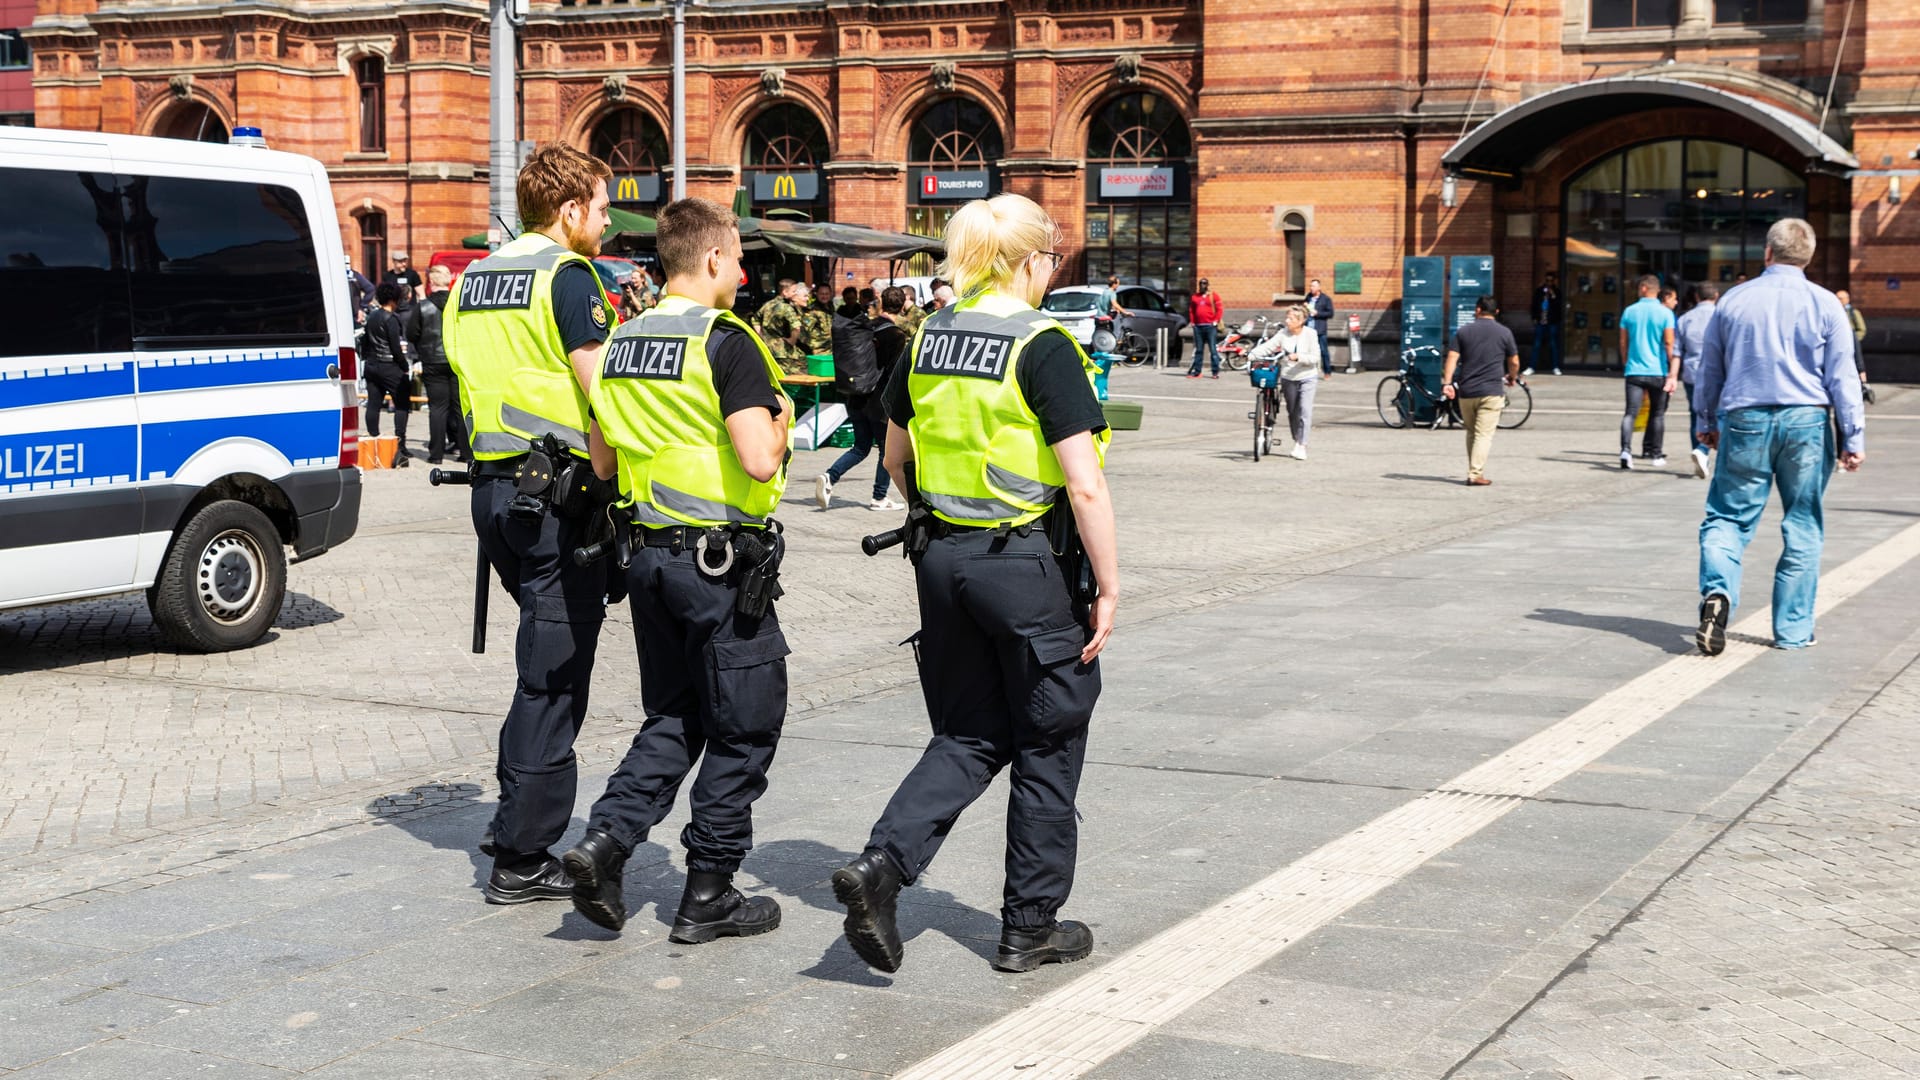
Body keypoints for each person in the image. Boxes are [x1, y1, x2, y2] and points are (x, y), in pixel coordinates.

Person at [832, 193, 1117, 975]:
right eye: (1051, 259)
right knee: (1049, 739)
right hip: (1024, 564)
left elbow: (895, 459)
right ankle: (1029, 927)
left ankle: (882, 867)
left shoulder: (930, 339)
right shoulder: (1043, 343)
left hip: (942, 560)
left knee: (968, 732)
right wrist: (1112, 585)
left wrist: (941, 511)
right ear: (1030, 261)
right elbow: (1085, 486)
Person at [562, 196, 795, 943]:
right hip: (719, 567)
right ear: (716, 259)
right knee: (744, 726)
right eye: (738, 255)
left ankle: (605, 842)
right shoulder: (728, 340)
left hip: (648, 561)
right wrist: (784, 425)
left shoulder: (624, 341)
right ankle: (710, 893)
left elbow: (602, 459)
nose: (744, 269)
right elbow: (758, 456)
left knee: (675, 715)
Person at [441, 143, 617, 904]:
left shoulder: (473, 277)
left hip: (495, 494)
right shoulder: (569, 276)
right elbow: (607, 393)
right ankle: (522, 856)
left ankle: (514, 818)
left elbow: (461, 380)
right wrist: (618, 483)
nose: (607, 222)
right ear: (571, 208)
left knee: (539, 659)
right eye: (603, 207)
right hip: (559, 500)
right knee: (555, 674)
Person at [1692, 217, 1865, 655]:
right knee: (1803, 522)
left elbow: (1710, 368)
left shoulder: (1733, 301)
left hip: (1745, 417)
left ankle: (1718, 594)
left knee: (1727, 517)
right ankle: (1792, 631)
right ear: (1808, 257)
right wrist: (1852, 437)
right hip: (1807, 420)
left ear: (1767, 253)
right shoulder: (1827, 304)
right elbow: (1843, 376)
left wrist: (1705, 422)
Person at [814, 289, 903, 512]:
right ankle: (879, 497)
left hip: (856, 397)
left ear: (881, 304)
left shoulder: (866, 328)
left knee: (861, 447)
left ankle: (830, 476)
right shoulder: (897, 336)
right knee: (885, 450)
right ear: (902, 307)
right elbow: (895, 373)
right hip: (879, 403)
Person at [1441, 296, 1520, 486]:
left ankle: (1474, 470)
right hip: (1491, 391)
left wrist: (1447, 383)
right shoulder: (1505, 333)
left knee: (1471, 431)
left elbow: (1451, 358)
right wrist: (1512, 376)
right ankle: (1475, 474)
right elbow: (1514, 361)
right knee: (1483, 435)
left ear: (1477, 310)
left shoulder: (1464, 332)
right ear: (1497, 312)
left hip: (1467, 391)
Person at [1617, 274, 1677, 470]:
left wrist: (1626, 362)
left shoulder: (1629, 311)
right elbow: (1669, 343)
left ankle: (1626, 450)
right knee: (1657, 414)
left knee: (1630, 413)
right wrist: (1672, 369)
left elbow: (1623, 342)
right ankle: (1656, 454)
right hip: (1657, 370)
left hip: (1634, 370)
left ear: (1643, 288)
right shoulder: (1665, 313)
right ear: (1656, 291)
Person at [1246, 303, 1320, 459]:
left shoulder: (1310, 334)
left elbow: (1315, 357)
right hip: (1288, 377)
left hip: (1307, 377)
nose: (1287, 320)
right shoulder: (1283, 333)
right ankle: (1297, 439)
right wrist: (1250, 354)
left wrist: (1299, 357)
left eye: (1291, 318)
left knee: (1305, 410)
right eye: (1287, 317)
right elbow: (1268, 347)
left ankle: (1302, 445)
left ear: (1301, 320)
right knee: (1293, 412)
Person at [413, 264, 469, 465]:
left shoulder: (423, 306)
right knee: (460, 407)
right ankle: (465, 453)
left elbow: (412, 333)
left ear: (432, 281)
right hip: (457, 359)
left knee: (437, 408)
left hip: (432, 361)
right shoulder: (460, 304)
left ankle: (436, 454)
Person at [362, 282, 413, 467]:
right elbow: (395, 347)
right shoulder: (391, 319)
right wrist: (403, 366)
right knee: (401, 404)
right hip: (390, 365)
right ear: (393, 299)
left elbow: (366, 342)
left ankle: (374, 439)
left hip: (372, 364)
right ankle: (400, 443)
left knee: (373, 404)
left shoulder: (372, 316)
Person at [1675, 281, 1719, 480]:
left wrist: (1671, 376)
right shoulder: (1722, 316)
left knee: (1696, 414)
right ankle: (1703, 451)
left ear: (1696, 297)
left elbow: (1677, 351)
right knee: (1719, 414)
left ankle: (1700, 453)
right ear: (1716, 295)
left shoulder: (1685, 319)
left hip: (1692, 372)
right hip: (1717, 372)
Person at [753, 279, 806, 374]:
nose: (795, 294)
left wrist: (760, 335)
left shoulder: (768, 305)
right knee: (791, 377)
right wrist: (792, 340)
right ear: (785, 292)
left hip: (768, 348)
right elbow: (796, 327)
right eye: (793, 291)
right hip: (783, 351)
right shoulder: (787, 308)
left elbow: (755, 319)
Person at [1837, 289, 1874, 405]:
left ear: (1847, 299)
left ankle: (1861, 387)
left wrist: (1852, 341)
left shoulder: (1853, 312)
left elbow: (1861, 329)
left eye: (1841, 298)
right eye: (1837, 298)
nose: (1839, 301)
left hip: (1852, 345)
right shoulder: (1834, 311)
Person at [1185, 278, 1224, 379]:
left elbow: (1220, 309)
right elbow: (1191, 310)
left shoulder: (1213, 295)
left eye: (1204, 283)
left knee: (1213, 349)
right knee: (1199, 350)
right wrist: (1193, 322)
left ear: (1207, 285)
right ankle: (1197, 372)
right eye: (1201, 283)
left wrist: (1216, 320)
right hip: (1198, 327)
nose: (1202, 285)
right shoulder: (1195, 297)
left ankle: (1215, 372)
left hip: (1210, 326)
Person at [1528, 271, 1562, 376]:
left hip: (1552, 322)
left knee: (1553, 345)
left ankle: (1555, 367)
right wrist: (1534, 317)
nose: (1549, 283)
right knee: (1537, 344)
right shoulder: (1539, 291)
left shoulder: (1557, 292)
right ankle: (1532, 367)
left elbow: (1559, 306)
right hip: (1540, 321)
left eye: (1551, 281)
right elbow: (1534, 305)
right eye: (1547, 281)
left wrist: (1552, 295)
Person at [1305, 278, 1335, 377]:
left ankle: (1327, 372)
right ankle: (1308, 371)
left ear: (1319, 287)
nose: (1311, 288)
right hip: (1308, 328)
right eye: (1310, 286)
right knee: (1307, 350)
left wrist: (1317, 313)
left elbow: (1330, 313)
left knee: (1323, 350)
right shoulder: (1308, 297)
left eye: (1313, 286)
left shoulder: (1325, 299)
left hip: (1320, 329)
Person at [801, 284, 835, 359]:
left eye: (826, 294)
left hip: (830, 351)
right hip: (818, 352)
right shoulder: (812, 311)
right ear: (817, 294)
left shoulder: (831, 307)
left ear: (830, 294)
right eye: (822, 294)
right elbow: (803, 332)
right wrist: (813, 345)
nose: (824, 296)